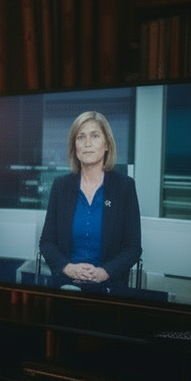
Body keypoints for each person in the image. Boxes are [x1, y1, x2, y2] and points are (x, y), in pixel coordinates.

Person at [39, 110, 142, 291]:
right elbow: (47, 242)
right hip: (66, 285)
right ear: (74, 147)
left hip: (109, 287)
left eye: (95, 136)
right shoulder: (60, 186)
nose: (87, 143)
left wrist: (105, 272)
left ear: (107, 144)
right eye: (80, 137)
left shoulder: (124, 187)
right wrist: (68, 268)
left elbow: (133, 247)